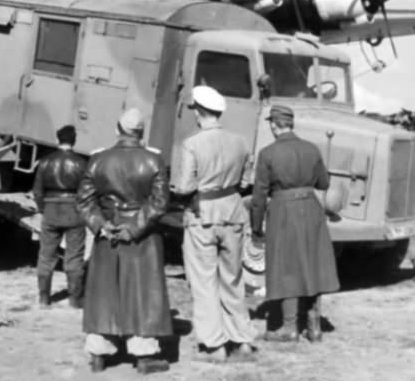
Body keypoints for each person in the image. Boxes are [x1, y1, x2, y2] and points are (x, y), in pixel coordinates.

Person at [77, 108, 173, 375]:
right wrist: (134, 228)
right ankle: (143, 354)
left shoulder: (97, 160)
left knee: (104, 292)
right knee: (143, 293)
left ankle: (98, 351)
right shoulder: (154, 161)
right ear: (140, 132)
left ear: (118, 129)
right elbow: (160, 203)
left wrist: (101, 225)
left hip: (108, 232)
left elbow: (84, 201)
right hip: (142, 235)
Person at [171, 86, 257, 361]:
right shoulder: (241, 142)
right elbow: (245, 182)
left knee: (204, 281)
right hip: (232, 213)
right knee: (232, 279)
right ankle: (242, 341)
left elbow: (184, 187)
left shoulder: (192, 144)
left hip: (202, 216)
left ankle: (214, 345)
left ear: (199, 112)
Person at [249, 104, 340, 342]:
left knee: (287, 266)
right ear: (291, 124)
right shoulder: (312, 149)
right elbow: (323, 183)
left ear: (273, 125)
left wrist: (256, 227)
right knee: (311, 264)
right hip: (311, 209)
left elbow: (259, 196)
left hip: (283, 211)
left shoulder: (267, 154)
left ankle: (289, 328)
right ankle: (314, 327)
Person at [32, 124, 87, 309]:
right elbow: (86, 193)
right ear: (74, 141)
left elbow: (38, 192)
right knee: (74, 257)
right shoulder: (81, 163)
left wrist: (42, 209)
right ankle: (75, 299)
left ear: (57, 140)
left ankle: (44, 299)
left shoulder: (45, 162)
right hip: (74, 213)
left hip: (51, 211)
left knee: (46, 256)